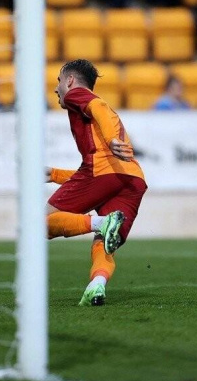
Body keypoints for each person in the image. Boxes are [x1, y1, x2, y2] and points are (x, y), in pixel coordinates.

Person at [47, 59, 148, 307]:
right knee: (104, 243)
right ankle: (97, 285)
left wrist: (112, 139)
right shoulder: (99, 114)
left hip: (104, 172)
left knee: (39, 223)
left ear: (70, 80)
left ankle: (102, 222)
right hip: (132, 179)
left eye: (59, 81)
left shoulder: (77, 94)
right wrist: (54, 174)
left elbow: (98, 107)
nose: (56, 89)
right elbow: (97, 178)